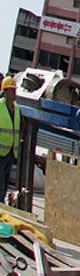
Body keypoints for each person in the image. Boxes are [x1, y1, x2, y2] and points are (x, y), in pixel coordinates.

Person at [0, 76, 20, 204]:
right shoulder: (0, 107)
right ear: (5, 91)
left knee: (4, 184)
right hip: (0, 152)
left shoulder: (16, 109)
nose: (14, 93)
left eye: (14, 90)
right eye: (11, 90)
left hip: (10, 152)